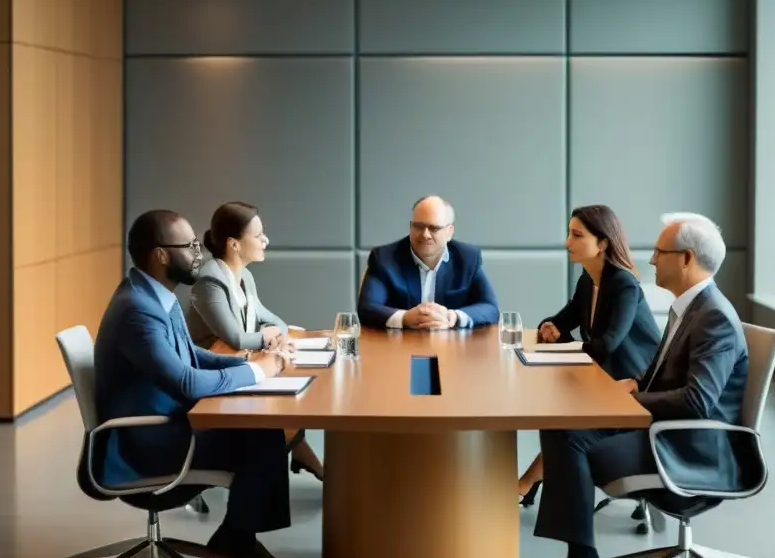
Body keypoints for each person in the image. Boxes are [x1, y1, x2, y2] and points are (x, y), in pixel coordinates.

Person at [515, 214, 749, 558]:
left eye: (661, 251)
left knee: (572, 439)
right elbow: (663, 370)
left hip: (689, 447)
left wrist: (633, 401)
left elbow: (697, 401)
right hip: (664, 428)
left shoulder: (713, 318)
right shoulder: (689, 308)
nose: (652, 259)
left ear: (687, 258)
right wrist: (637, 384)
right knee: (561, 424)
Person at [93, 209, 308, 558]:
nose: (198, 251)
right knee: (261, 441)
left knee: (265, 435)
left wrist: (248, 361)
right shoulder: (138, 311)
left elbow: (192, 355)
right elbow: (188, 382)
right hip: (144, 444)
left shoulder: (154, 294)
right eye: (189, 245)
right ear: (160, 255)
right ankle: (232, 552)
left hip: (167, 425)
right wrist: (260, 372)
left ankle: (239, 546)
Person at [517, 205, 661, 507]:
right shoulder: (588, 281)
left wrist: (564, 341)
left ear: (603, 243)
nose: (568, 242)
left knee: (566, 423)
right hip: (603, 378)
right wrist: (551, 329)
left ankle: (527, 482)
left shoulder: (624, 284)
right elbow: (561, 321)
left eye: (576, 235)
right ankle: (531, 482)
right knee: (556, 411)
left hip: (635, 387)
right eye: (569, 234)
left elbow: (607, 344)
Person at [186, 201, 324, 482]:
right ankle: (297, 453)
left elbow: (273, 320)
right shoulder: (208, 281)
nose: (266, 240)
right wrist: (268, 336)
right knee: (281, 394)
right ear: (234, 244)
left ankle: (299, 450)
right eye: (258, 235)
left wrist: (275, 333)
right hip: (212, 374)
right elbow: (234, 337)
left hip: (238, 363)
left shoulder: (244, 276)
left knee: (289, 391)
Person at [357, 195, 499, 330]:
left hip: (454, 348)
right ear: (410, 227)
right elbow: (367, 307)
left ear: (449, 232)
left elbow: (490, 308)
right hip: (398, 347)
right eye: (418, 226)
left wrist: (452, 317)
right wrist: (405, 318)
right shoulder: (384, 258)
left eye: (434, 228)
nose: (425, 234)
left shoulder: (468, 258)